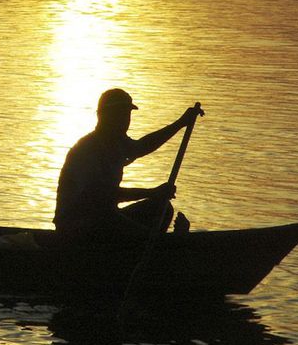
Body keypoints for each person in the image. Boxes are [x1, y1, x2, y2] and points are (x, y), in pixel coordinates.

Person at [53, 88, 201, 245]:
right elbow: (105, 196)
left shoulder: (118, 143)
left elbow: (143, 146)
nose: (124, 120)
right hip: (77, 227)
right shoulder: (87, 149)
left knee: (161, 208)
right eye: (119, 114)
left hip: (105, 218)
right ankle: (162, 245)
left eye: (127, 114)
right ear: (103, 115)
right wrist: (153, 192)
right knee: (131, 227)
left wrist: (181, 122)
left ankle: (148, 246)